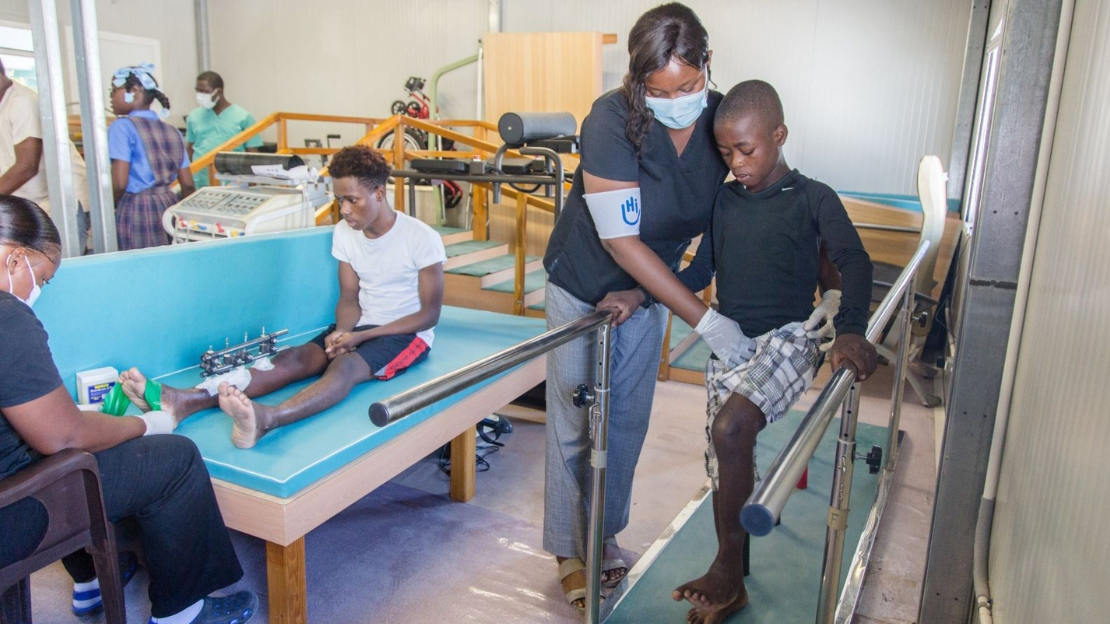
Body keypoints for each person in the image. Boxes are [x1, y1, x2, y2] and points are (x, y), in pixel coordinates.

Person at [541, 3, 839, 613]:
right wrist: (704, 318)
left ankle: (604, 535)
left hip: (651, 291)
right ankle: (570, 549)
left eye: (688, 85)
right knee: (576, 423)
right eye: (659, 90)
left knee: (625, 421)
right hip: (584, 281)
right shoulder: (610, 120)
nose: (676, 99)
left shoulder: (722, 120)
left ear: (708, 64)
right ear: (638, 82)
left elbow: (739, 207)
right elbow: (620, 241)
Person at [668, 81, 879, 623]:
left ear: (778, 136)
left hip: (791, 338)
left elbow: (855, 262)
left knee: (730, 429)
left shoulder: (813, 197)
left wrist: (851, 328)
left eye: (747, 150)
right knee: (725, 466)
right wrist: (645, 281)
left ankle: (722, 567)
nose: (736, 163)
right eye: (726, 153)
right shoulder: (724, 199)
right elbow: (699, 271)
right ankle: (734, 582)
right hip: (733, 345)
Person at [0, 195, 257, 624]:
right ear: (16, 260)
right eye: (41, 277)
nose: (38, 290)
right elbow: (61, 435)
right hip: (15, 511)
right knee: (173, 458)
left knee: (81, 452)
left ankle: (95, 580)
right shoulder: (7, 316)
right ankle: (184, 612)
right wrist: (143, 424)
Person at [118, 145, 445, 449]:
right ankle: (185, 401)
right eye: (338, 200)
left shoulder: (420, 238)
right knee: (295, 358)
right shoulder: (346, 233)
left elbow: (429, 315)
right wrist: (343, 331)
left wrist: (362, 337)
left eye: (352, 200)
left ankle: (268, 419)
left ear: (378, 193)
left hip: (406, 334)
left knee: (344, 367)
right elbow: (349, 295)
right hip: (361, 325)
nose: (344, 210)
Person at [0, 59, 91, 251]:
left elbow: (27, 166)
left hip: (63, 199)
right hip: (35, 202)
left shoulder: (21, 102)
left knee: (62, 264)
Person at [108, 63, 194, 250]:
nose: (111, 97)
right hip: (169, 205)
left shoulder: (121, 127)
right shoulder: (172, 131)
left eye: (114, 90)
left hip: (136, 208)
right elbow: (188, 184)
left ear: (135, 91)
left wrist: (108, 208)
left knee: (137, 266)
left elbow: (120, 183)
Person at [186, 71, 263, 188]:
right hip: (201, 181)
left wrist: (253, 183)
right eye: (198, 91)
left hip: (235, 181)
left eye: (205, 92)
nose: (200, 95)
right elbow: (189, 150)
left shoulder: (243, 117)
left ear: (219, 92)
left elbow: (252, 153)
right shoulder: (193, 116)